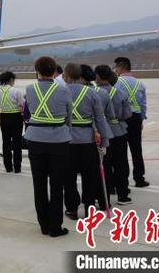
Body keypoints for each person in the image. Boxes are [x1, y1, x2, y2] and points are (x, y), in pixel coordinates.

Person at [23, 56, 71, 237]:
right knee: (57, 185)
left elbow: (29, 112)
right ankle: (55, 226)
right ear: (54, 71)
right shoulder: (63, 90)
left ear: (37, 71)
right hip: (58, 140)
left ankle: (43, 224)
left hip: (35, 139)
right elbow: (69, 116)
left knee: (39, 183)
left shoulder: (30, 89)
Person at [62, 64, 112, 221]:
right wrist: (104, 141)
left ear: (66, 76)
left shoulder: (61, 91)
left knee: (69, 177)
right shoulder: (91, 92)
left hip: (68, 140)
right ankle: (89, 209)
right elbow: (100, 118)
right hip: (88, 140)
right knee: (89, 176)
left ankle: (72, 209)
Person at [95, 66, 133, 205]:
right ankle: (123, 195)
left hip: (103, 132)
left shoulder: (94, 93)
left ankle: (105, 197)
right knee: (121, 164)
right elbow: (127, 114)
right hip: (119, 131)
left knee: (104, 165)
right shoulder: (121, 93)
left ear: (98, 77)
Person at [113, 57, 149, 188]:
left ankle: (123, 181)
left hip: (122, 119)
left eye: (116, 68)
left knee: (121, 152)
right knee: (136, 149)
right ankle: (139, 178)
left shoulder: (117, 83)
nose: (115, 70)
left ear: (121, 68)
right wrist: (142, 119)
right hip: (136, 119)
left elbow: (115, 101)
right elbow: (143, 104)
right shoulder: (140, 84)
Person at [0, 71, 24, 173]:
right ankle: (17, 167)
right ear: (11, 80)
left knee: (6, 142)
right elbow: (21, 107)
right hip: (16, 117)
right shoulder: (17, 91)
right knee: (17, 143)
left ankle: (8, 167)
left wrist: (0, 119)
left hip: (4, 117)